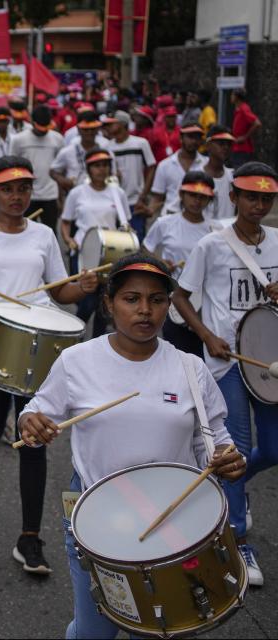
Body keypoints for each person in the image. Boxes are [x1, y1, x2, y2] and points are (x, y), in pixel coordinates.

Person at [18, 254, 242, 640]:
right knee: (94, 633)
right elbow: (36, 411)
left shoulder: (190, 368)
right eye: (132, 299)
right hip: (98, 521)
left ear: (168, 306)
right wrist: (31, 422)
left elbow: (215, 442)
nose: (145, 310)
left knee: (161, 629)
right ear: (109, 302)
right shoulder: (77, 361)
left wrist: (226, 459)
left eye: (157, 300)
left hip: (175, 523)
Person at [0, 155, 98, 574]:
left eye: (24, 188)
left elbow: (58, 294)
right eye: (8, 189)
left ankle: (30, 537)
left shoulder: (44, 234)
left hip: (39, 348)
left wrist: (80, 289)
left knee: (34, 439)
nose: (17, 196)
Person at [173, 161, 278, 587]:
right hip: (227, 361)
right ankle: (238, 539)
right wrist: (206, 336)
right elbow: (180, 296)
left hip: (269, 360)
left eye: (266, 198)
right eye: (250, 196)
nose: (258, 204)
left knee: (272, 449)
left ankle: (229, 487)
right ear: (232, 197)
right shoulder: (211, 246)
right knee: (237, 446)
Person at [143, 171, 221, 356]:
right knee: (177, 353)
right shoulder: (165, 223)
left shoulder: (217, 229)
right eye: (193, 195)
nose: (197, 201)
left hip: (207, 300)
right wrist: (160, 263)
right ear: (181, 194)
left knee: (203, 355)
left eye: (203, 197)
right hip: (175, 299)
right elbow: (146, 248)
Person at [60, 148, 133, 337]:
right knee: (86, 300)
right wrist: (68, 240)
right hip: (84, 251)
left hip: (110, 252)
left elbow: (125, 222)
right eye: (97, 166)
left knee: (104, 302)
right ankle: (74, 336)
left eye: (105, 165)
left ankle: (98, 341)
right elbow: (66, 222)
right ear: (89, 169)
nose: (102, 169)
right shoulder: (77, 193)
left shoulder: (118, 193)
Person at [8, 106, 64, 230]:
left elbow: (60, 170)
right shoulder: (18, 140)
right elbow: (12, 167)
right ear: (32, 123)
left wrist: (61, 197)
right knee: (24, 231)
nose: (44, 131)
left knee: (50, 231)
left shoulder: (57, 139)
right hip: (27, 195)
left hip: (50, 195)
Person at [103, 110, 156, 240]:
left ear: (122, 124)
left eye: (112, 124)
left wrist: (143, 196)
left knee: (136, 239)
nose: (108, 127)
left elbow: (151, 167)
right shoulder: (108, 147)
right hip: (115, 202)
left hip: (135, 201)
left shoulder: (140, 143)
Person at [149, 122, 207, 216]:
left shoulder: (207, 165)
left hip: (198, 218)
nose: (194, 141)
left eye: (197, 138)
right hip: (170, 217)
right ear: (181, 138)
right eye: (190, 137)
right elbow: (157, 197)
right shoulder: (164, 165)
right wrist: (149, 211)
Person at [50, 111, 107, 196]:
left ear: (97, 129)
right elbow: (53, 171)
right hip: (76, 196)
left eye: (92, 129)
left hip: (102, 195)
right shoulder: (68, 151)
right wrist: (63, 180)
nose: (89, 132)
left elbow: (113, 173)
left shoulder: (105, 148)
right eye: (86, 129)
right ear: (78, 129)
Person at [203, 125, 236, 220]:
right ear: (208, 145)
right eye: (221, 143)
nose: (226, 147)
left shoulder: (233, 177)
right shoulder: (195, 175)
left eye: (229, 144)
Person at [229, 88, 260, 168]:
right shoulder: (239, 109)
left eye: (232, 95)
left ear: (236, 97)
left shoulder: (244, 108)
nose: (231, 97)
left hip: (242, 148)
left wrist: (244, 137)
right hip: (237, 147)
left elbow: (257, 123)